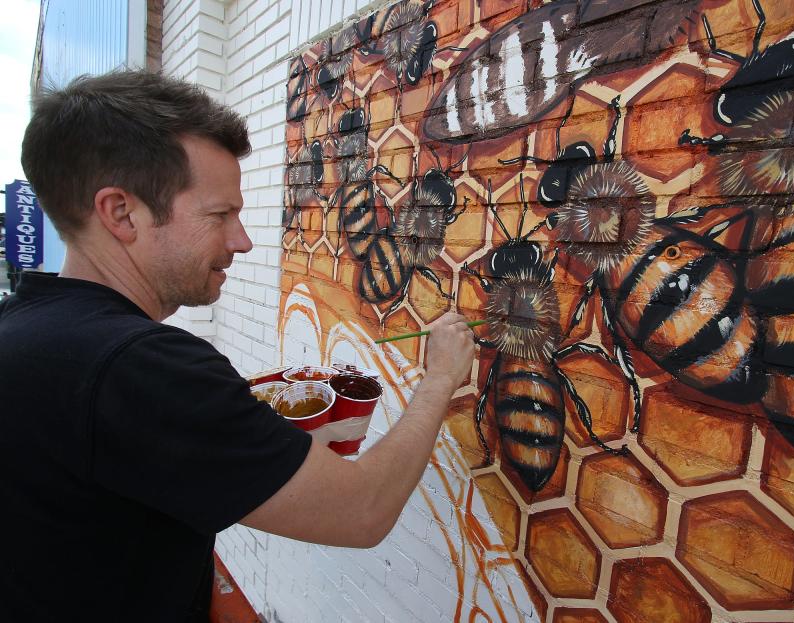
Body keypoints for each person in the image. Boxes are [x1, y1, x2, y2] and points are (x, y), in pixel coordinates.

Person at [0, 70, 476, 622]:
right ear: (121, 213)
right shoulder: (139, 367)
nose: (242, 240)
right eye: (219, 215)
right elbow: (362, 511)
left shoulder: (24, 330)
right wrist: (440, 378)